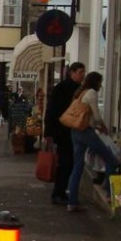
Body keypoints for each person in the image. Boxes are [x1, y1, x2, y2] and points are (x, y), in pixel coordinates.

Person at [66, 71, 121, 213]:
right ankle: (109, 193)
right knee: (111, 160)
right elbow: (96, 115)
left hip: (76, 130)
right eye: (100, 82)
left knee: (78, 166)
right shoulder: (91, 93)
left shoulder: (81, 92)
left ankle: (72, 201)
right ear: (96, 82)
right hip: (86, 132)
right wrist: (103, 127)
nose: (101, 85)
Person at [44, 62, 86, 206]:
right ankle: (58, 193)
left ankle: (62, 192)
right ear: (72, 73)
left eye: (83, 73)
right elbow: (51, 110)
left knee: (69, 163)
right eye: (80, 72)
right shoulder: (62, 88)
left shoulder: (79, 90)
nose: (82, 75)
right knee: (66, 163)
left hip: (72, 132)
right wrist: (49, 132)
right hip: (62, 132)